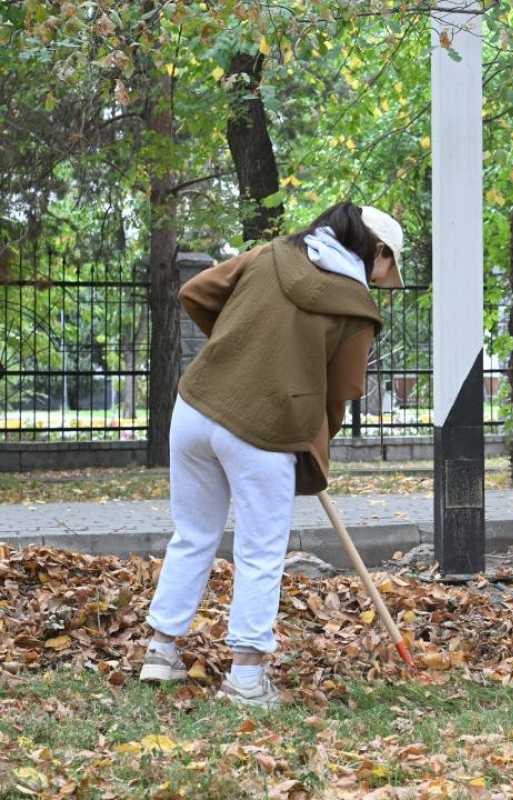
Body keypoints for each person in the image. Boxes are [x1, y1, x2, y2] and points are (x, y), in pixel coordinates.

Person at [138, 202, 404, 707]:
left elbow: (196, 292)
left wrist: (237, 347)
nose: (387, 285)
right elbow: (341, 392)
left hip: (196, 406)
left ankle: (160, 649)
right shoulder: (356, 308)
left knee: (192, 535)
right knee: (260, 552)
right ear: (378, 251)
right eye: (391, 269)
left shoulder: (270, 254)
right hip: (266, 431)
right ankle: (245, 679)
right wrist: (314, 438)